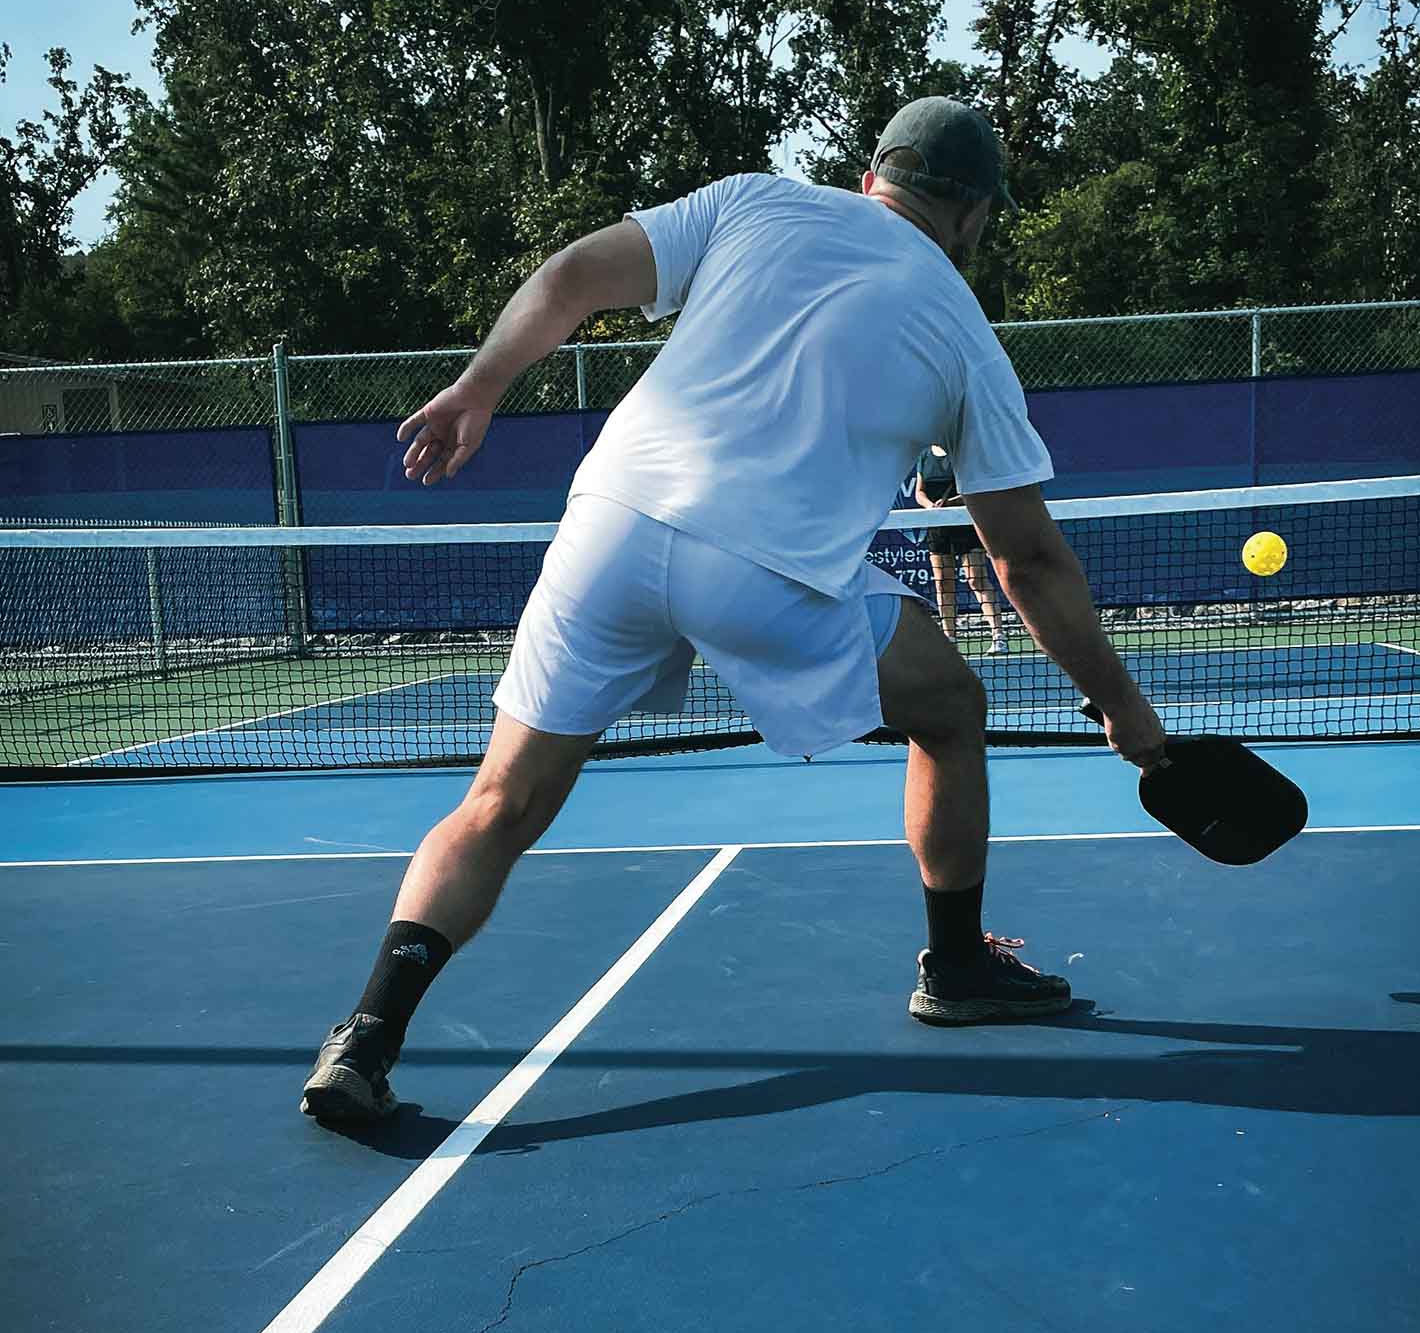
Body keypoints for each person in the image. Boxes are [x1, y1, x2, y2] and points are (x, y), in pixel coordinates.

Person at [302, 98, 1168, 1127]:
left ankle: (367, 1032)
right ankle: (956, 967)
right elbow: (1027, 560)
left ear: (871, 177)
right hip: (764, 569)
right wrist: (1121, 706)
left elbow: (570, 276)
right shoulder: (966, 334)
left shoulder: (752, 201)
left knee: (500, 802)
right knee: (949, 709)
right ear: (974, 214)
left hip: (610, 524)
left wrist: (479, 387)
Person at [913, 443, 1009, 653]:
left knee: (976, 579)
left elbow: (974, 490)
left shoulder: (962, 454)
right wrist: (930, 505)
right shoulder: (924, 456)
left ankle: (998, 636)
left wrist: (951, 503)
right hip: (937, 526)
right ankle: (949, 640)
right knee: (943, 584)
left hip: (966, 524)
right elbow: (919, 492)